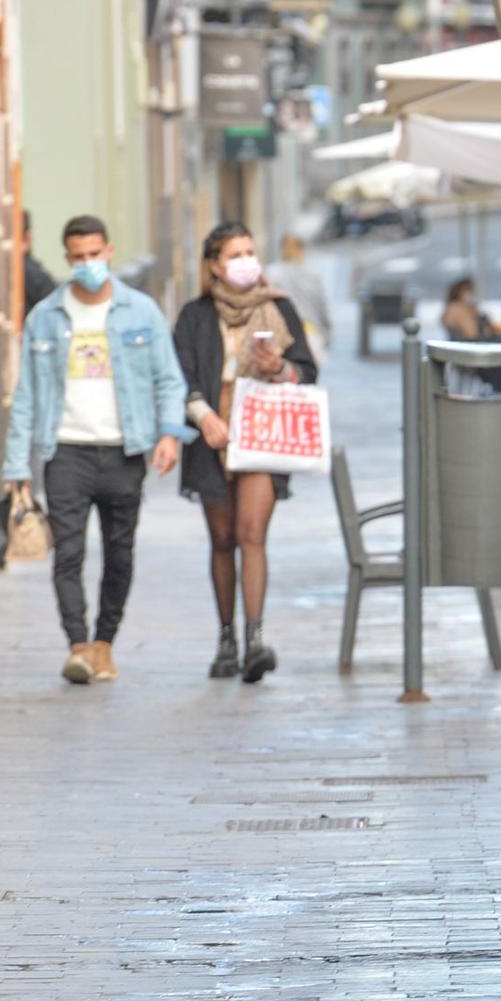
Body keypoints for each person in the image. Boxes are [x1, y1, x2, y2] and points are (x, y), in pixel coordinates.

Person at [2, 215, 187, 685]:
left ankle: (106, 642)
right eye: (78, 257)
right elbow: (25, 395)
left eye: (94, 255)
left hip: (124, 450)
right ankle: (79, 647)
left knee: (119, 552)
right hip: (66, 451)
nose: (87, 264)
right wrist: (16, 465)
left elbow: (169, 378)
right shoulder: (46, 315)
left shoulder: (140, 312)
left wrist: (169, 433)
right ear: (67, 258)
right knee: (67, 553)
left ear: (109, 251)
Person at [172, 223, 318, 684]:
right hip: (212, 440)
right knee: (223, 539)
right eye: (235, 254)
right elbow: (180, 375)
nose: (245, 261)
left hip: (262, 437)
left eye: (250, 251)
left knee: (252, 532)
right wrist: (202, 415)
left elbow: (309, 371)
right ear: (215, 264)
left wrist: (282, 368)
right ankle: (226, 639)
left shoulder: (278, 308)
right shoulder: (195, 316)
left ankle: (256, 640)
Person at [264, 234, 331, 368]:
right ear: (302, 250)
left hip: (282, 333)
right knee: (308, 377)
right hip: (309, 333)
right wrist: (327, 334)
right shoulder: (312, 275)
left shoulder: (271, 273)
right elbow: (321, 307)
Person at [441, 277, 493, 341]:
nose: (470, 293)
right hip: (472, 344)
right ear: (457, 292)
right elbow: (472, 334)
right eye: (467, 290)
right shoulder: (459, 308)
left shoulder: (452, 307)